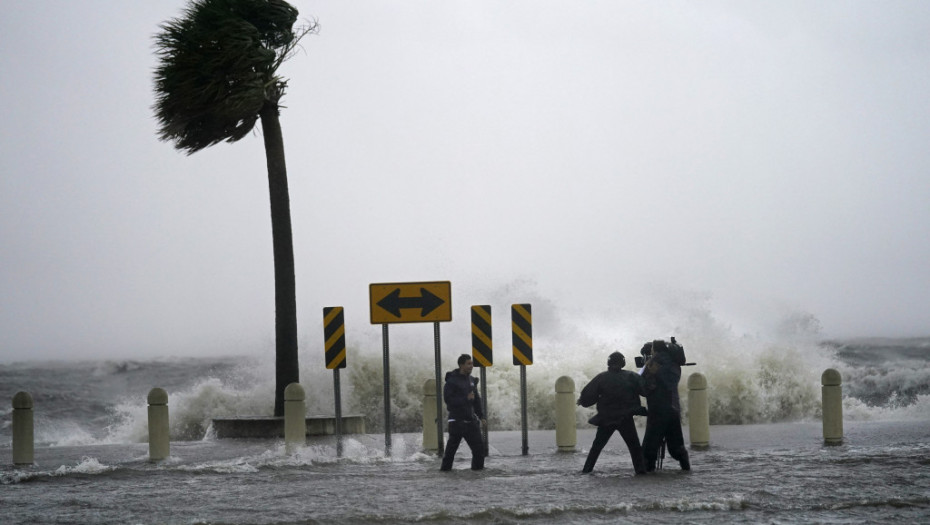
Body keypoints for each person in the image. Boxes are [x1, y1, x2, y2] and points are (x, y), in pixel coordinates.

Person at [577, 351, 648, 474]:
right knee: (635, 448)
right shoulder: (632, 376)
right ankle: (640, 471)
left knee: (596, 447)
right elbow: (646, 391)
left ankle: (586, 470)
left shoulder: (601, 377)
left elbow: (588, 396)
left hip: (606, 418)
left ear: (608, 363)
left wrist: (582, 401)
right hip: (625, 418)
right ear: (623, 363)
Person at [640, 339, 690, 471]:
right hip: (673, 410)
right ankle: (686, 469)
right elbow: (670, 383)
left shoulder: (654, 364)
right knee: (676, 447)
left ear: (654, 350)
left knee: (649, 448)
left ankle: (649, 472)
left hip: (657, 410)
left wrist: (650, 372)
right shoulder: (674, 364)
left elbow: (644, 388)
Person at [440, 354, 486, 471]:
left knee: (479, 450)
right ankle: (445, 474)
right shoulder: (452, 380)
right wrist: (465, 398)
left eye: (472, 364)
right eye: (468, 364)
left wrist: (481, 416)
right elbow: (448, 400)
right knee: (450, 452)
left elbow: (476, 400)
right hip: (457, 421)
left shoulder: (471, 380)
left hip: (471, 421)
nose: (471, 366)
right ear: (461, 365)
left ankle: (477, 473)